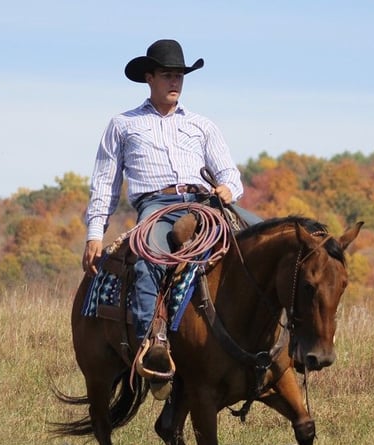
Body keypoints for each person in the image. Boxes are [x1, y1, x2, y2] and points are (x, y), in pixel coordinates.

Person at [81, 39, 259, 399]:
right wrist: (94, 234)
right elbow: (105, 183)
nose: (174, 82)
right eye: (167, 75)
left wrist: (228, 190)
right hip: (156, 207)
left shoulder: (202, 126)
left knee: (267, 244)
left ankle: (278, 343)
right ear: (149, 78)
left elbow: (229, 172)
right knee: (150, 260)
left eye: (179, 75)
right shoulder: (123, 125)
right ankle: (154, 348)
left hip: (204, 202)